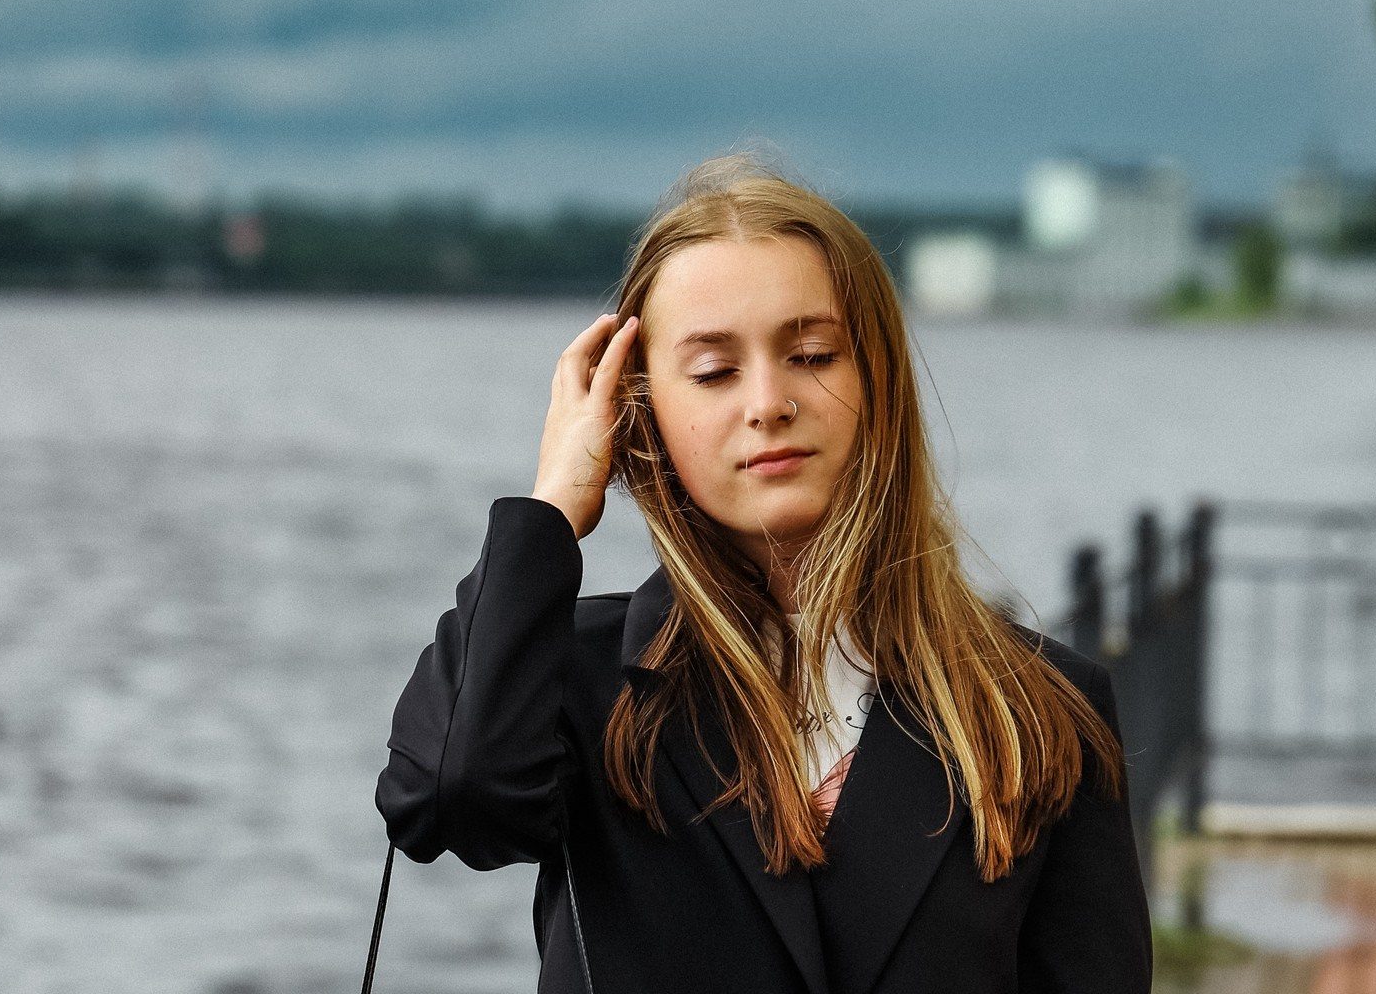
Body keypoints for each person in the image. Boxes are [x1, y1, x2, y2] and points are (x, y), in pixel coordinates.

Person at [375, 154, 1152, 994]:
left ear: (878, 380)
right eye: (712, 371)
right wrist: (555, 505)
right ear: (639, 410)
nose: (767, 401)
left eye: (813, 354)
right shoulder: (578, 686)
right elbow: (448, 799)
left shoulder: (1038, 709)